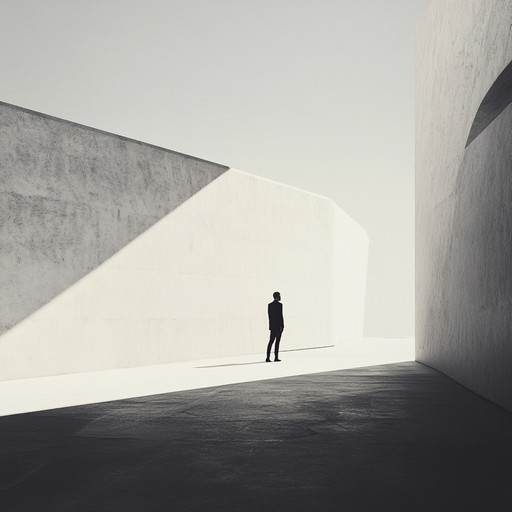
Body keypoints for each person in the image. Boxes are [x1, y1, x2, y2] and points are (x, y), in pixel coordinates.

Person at [266, 291, 284, 362]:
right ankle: (276, 357)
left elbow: (270, 317)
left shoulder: (270, 305)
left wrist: (270, 326)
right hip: (278, 326)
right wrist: (282, 326)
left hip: (273, 327)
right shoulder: (280, 305)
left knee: (270, 342)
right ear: (278, 296)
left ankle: (268, 357)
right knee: (277, 342)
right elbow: (280, 316)